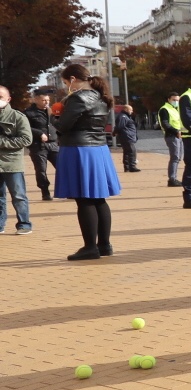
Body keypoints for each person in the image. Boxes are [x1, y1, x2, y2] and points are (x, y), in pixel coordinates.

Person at [53, 63, 121, 260]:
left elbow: (64, 126)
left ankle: (90, 247)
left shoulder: (78, 98)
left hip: (78, 149)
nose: (67, 86)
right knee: (99, 198)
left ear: (73, 79)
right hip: (98, 149)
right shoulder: (101, 96)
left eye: (66, 82)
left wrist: (54, 117)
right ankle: (104, 245)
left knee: (83, 199)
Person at [0, 87, 34, 235]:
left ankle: (24, 224)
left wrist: (2, 142)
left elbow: (26, 139)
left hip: (12, 163)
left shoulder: (17, 117)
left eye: (0, 96)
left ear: (8, 99)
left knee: (19, 196)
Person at [24, 92, 59, 201]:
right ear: (36, 100)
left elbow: (58, 123)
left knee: (62, 167)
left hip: (53, 144)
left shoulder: (52, 111)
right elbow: (25, 127)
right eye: (44, 100)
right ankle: (45, 192)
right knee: (41, 170)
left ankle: (66, 190)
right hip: (38, 146)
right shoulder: (28, 113)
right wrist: (39, 133)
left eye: (48, 100)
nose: (46, 102)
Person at [157, 91, 184, 188]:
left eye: (177, 100)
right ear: (169, 99)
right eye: (174, 100)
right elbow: (165, 124)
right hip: (172, 136)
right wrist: (176, 131)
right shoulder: (165, 109)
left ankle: (174, 178)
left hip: (179, 135)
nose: (176, 102)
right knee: (175, 157)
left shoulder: (175, 109)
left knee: (178, 158)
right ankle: (172, 179)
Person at [114, 104, 140, 172]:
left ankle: (127, 167)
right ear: (126, 109)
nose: (132, 111)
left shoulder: (125, 116)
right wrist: (115, 132)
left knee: (127, 152)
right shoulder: (123, 116)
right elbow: (119, 126)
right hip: (127, 137)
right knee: (132, 151)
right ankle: (132, 166)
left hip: (127, 136)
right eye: (130, 110)